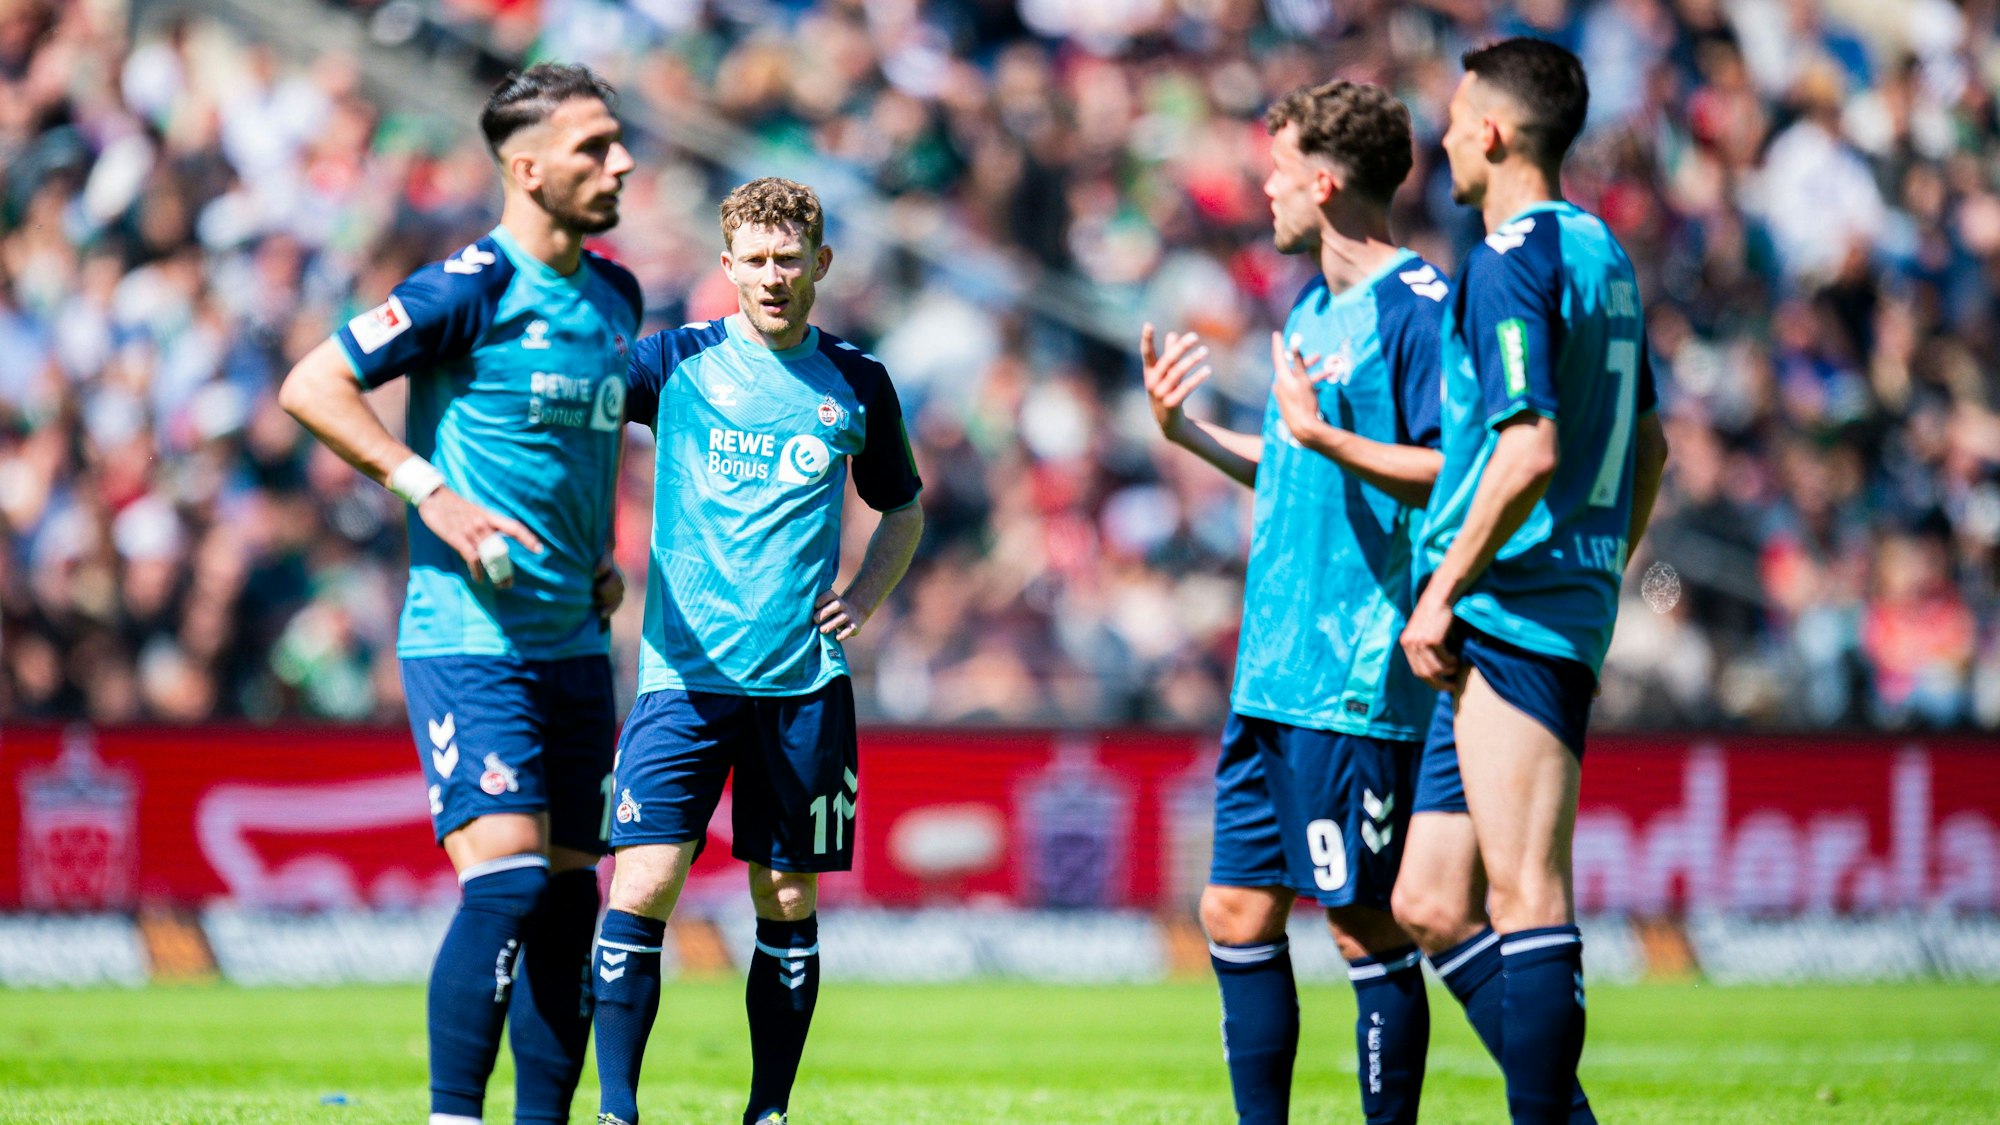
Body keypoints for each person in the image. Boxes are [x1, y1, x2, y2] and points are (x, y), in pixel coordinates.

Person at [278, 63, 640, 1125]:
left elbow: (580, 448)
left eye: (617, 143)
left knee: (574, 900)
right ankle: (450, 1117)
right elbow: (312, 384)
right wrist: (426, 491)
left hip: (575, 642)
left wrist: (603, 555)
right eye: (592, 147)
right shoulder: (466, 286)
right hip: (468, 637)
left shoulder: (615, 294)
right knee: (510, 884)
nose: (618, 163)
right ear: (525, 169)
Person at [1142, 80, 1450, 1125]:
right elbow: (1293, 467)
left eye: (1274, 172)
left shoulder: (1416, 310)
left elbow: (1452, 471)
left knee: (1364, 925)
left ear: (1322, 183)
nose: (1260, 191)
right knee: (1230, 907)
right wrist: (1189, 435)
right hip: (1271, 676)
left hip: (1355, 676)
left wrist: (1320, 438)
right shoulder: (1310, 309)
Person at [590, 177, 925, 1125]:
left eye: (791, 260)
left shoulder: (857, 383)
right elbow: (582, 419)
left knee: (783, 893)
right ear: (725, 266)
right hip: (681, 680)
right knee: (646, 877)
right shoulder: (674, 362)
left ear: (819, 265)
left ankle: (767, 1111)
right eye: (756, 261)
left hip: (801, 686)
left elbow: (902, 507)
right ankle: (618, 1109)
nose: (773, 278)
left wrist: (863, 593)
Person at [1401, 38, 1670, 1125]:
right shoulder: (1602, 252)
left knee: (1524, 896)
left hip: (1512, 606)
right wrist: (1608, 561)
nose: (1446, 134)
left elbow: (1526, 449)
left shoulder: (1508, 255)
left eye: (1458, 116)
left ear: (1495, 133)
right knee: (1428, 900)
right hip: (1539, 599)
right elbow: (1647, 449)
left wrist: (1442, 585)